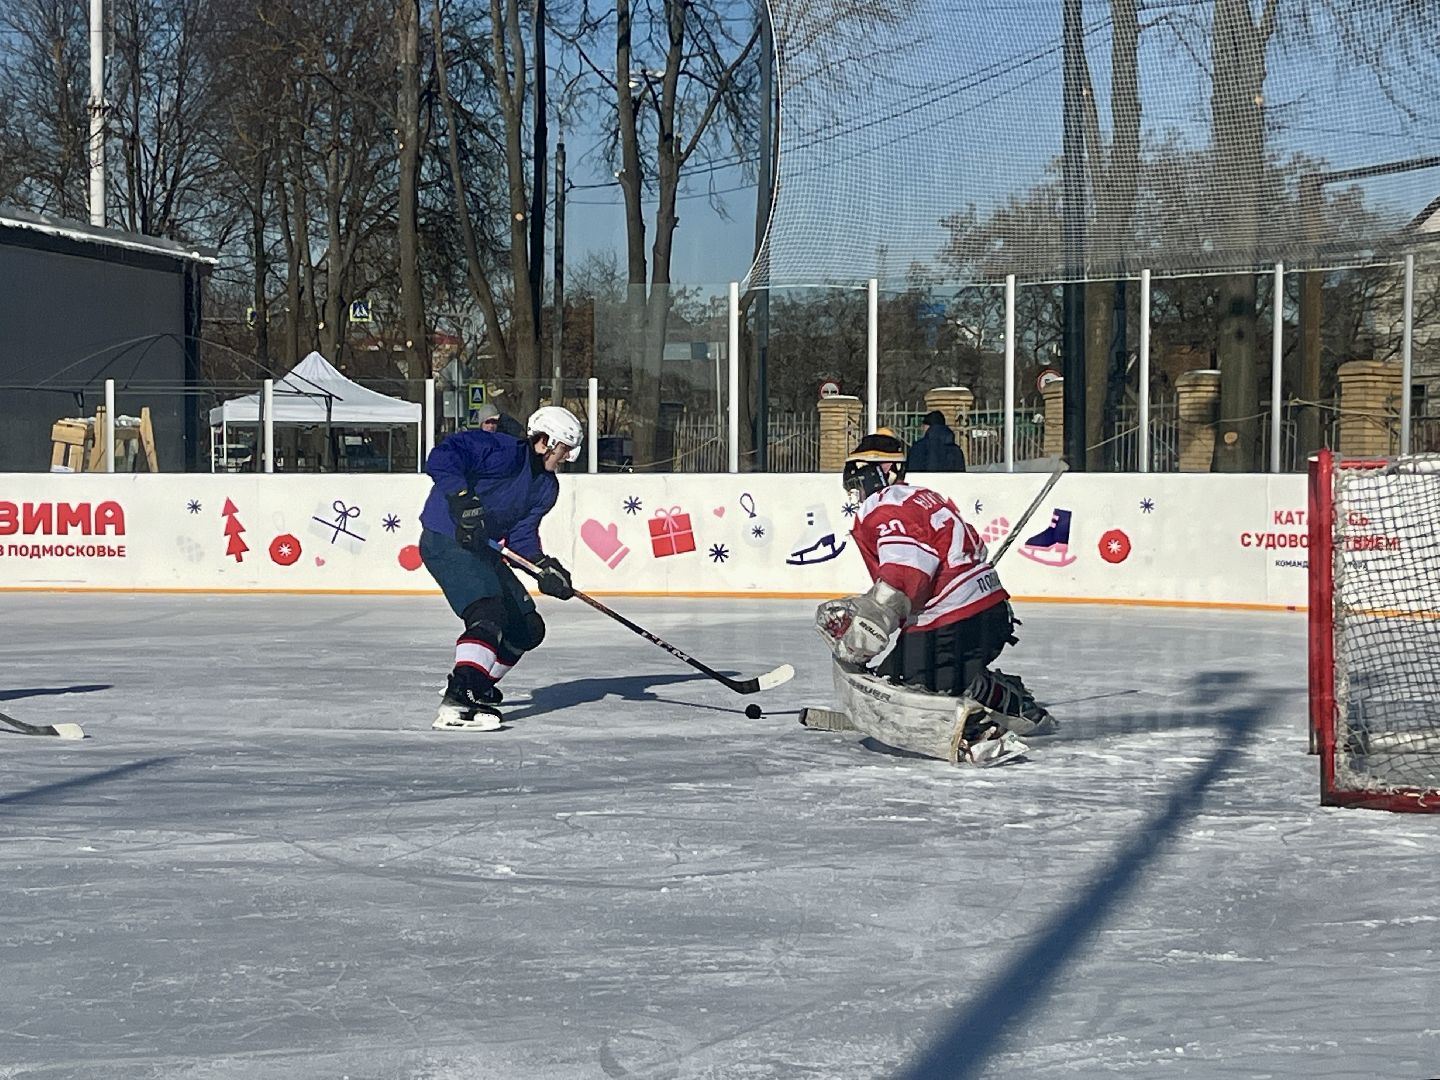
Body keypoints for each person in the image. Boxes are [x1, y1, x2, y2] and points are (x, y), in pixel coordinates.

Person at [814, 432, 1055, 745]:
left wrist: (873, 619)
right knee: (895, 678)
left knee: (907, 687)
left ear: (883, 470)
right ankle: (1001, 697)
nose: (858, 494)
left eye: (859, 483)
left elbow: (907, 573)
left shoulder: (882, 506)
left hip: (952, 622)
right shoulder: (926, 496)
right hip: (990, 613)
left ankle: (979, 724)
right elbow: (976, 548)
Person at [419, 405, 584, 731]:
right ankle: (458, 697)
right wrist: (462, 498)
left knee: (527, 628)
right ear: (546, 441)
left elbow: (521, 536)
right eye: (564, 449)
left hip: (483, 550)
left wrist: (543, 567)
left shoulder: (547, 488)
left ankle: (475, 680)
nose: (566, 457)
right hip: (446, 539)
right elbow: (441, 456)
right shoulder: (501, 450)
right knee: (488, 612)